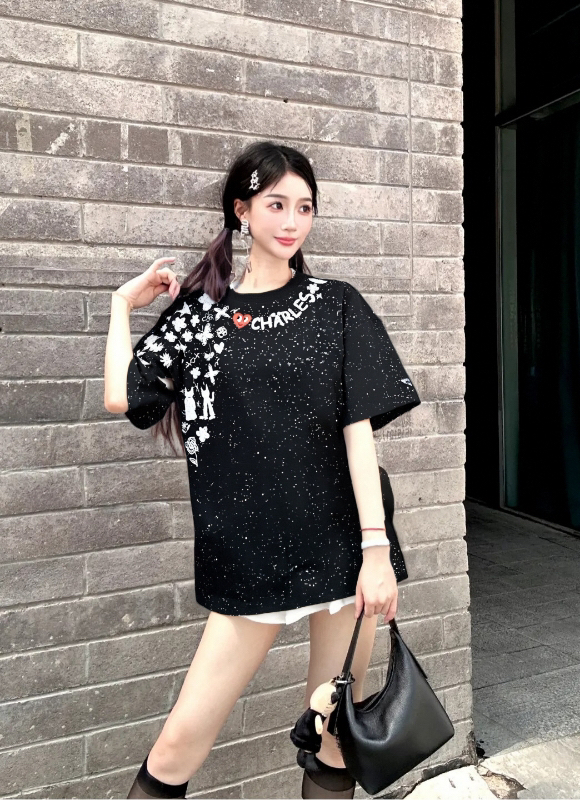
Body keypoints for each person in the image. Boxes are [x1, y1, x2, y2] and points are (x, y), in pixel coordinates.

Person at [104, 140, 421, 799]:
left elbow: (358, 435)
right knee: (176, 748)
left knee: (332, 738)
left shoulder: (336, 304)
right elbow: (124, 398)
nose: (292, 220)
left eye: (305, 207)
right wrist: (120, 307)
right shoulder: (199, 314)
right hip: (249, 557)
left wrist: (376, 552)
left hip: (343, 548)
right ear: (242, 211)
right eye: (276, 204)